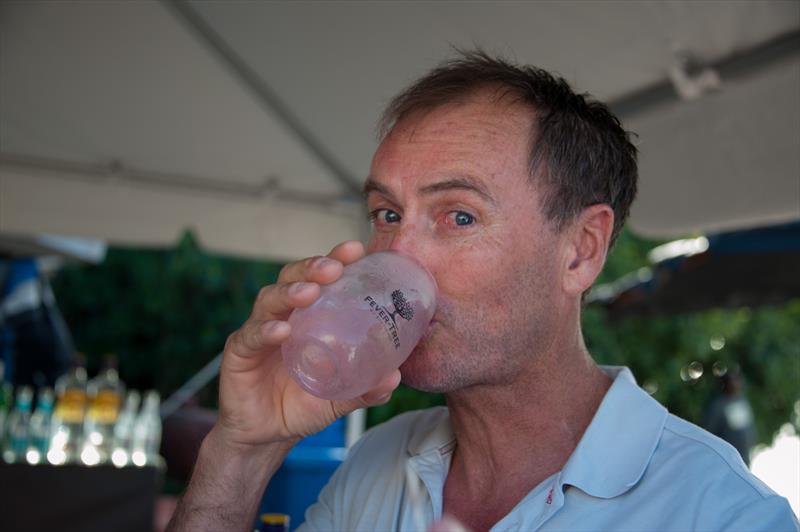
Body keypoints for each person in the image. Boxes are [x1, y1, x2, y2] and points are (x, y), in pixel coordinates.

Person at [167, 51, 798, 531]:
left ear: (580, 250)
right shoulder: (378, 461)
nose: (398, 255)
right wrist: (243, 448)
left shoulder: (721, 514)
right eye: (387, 214)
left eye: (458, 216)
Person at [702, 368, 756, 466]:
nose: (735, 383)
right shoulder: (718, 405)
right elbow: (708, 431)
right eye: (732, 380)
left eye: (737, 379)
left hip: (744, 459)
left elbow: (749, 428)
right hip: (726, 461)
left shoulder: (743, 401)